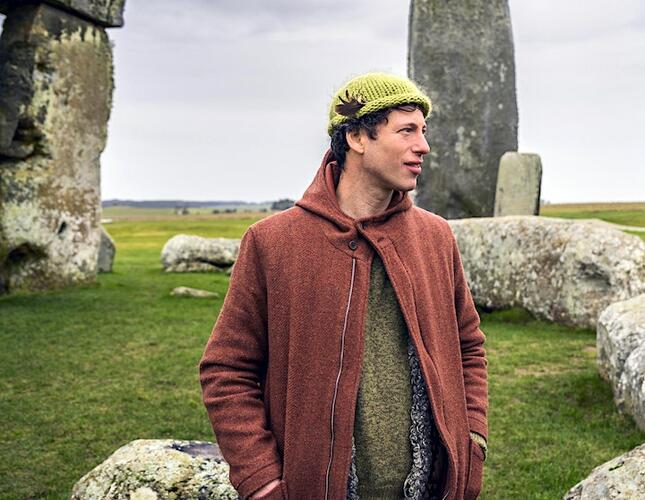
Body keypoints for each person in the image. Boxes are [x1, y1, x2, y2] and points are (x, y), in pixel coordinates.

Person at [199, 73, 488, 500]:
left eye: (423, 132)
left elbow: (468, 346)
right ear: (356, 136)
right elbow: (226, 370)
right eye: (406, 130)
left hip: (432, 489)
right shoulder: (273, 242)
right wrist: (261, 479)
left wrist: (473, 439)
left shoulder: (435, 237)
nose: (423, 146)